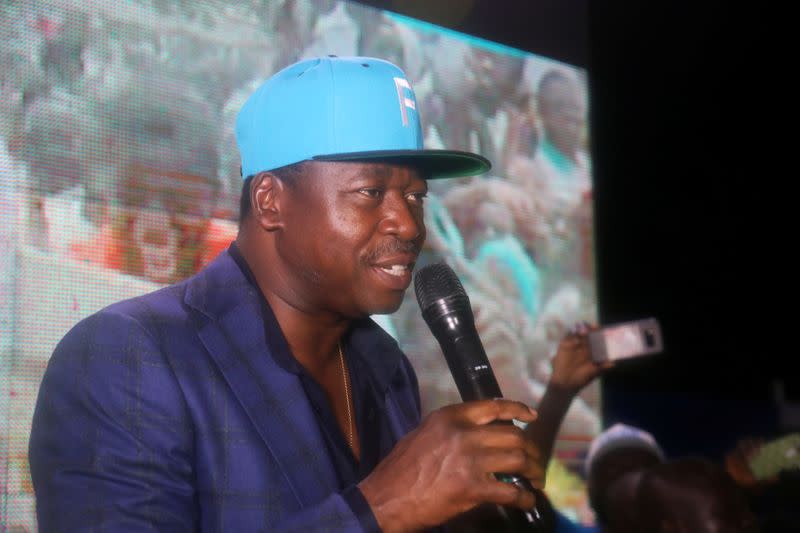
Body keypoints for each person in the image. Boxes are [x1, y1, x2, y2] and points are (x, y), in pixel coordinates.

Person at [29, 56, 546, 532]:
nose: (409, 224)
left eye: (416, 196)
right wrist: (381, 507)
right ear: (270, 201)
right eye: (372, 192)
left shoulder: (385, 368)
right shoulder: (125, 357)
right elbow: (385, 509)